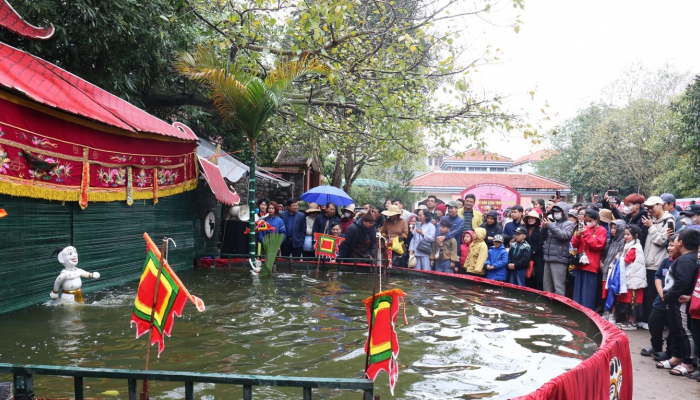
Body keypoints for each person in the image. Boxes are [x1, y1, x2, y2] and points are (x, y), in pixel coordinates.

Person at [657, 229, 700, 377]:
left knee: (683, 331)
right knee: (675, 329)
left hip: (679, 301)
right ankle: (676, 357)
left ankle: (687, 363)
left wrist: (669, 295)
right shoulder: (685, 258)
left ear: (680, 242)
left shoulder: (686, 260)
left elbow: (683, 282)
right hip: (673, 300)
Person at [639, 196, 675, 328]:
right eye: (648, 208)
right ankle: (649, 320)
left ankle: (656, 323)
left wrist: (651, 227)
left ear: (660, 205)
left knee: (655, 295)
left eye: (652, 207)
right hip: (649, 263)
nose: (650, 210)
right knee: (649, 294)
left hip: (658, 264)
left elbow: (662, 241)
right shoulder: (652, 220)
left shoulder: (669, 220)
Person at [640, 236, 676, 360]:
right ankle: (656, 346)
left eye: (672, 245)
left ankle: (670, 352)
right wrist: (661, 292)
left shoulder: (682, 262)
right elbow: (658, 276)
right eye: (669, 245)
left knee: (673, 327)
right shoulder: (666, 261)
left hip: (674, 300)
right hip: (661, 298)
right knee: (653, 321)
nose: (669, 248)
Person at [570, 209, 607, 310]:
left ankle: (587, 313)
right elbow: (574, 244)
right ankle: (576, 310)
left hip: (591, 265)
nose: (588, 222)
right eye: (586, 220)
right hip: (580, 264)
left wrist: (585, 234)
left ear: (596, 220)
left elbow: (597, 245)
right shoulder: (583, 228)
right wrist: (577, 235)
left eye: (590, 220)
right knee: (578, 290)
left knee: (588, 292)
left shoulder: (602, 230)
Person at [614, 225, 647, 330]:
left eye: (628, 234)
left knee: (633, 301)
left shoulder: (634, 247)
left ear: (635, 235)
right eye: (625, 234)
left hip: (634, 279)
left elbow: (626, 260)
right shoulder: (631, 246)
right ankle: (627, 321)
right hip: (632, 277)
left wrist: (618, 258)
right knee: (628, 300)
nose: (625, 237)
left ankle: (632, 322)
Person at [541, 201, 576, 296]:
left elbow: (564, 236)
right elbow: (543, 237)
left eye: (558, 212)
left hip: (559, 259)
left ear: (564, 213)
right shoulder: (552, 223)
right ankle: (548, 307)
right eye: (554, 212)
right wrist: (544, 228)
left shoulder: (569, 224)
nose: (556, 214)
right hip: (548, 258)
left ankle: (559, 307)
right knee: (547, 287)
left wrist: (550, 226)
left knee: (558, 287)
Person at [600, 220, 627, 322]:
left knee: (613, 294)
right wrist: (601, 263)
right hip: (605, 271)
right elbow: (603, 255)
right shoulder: (609, 241)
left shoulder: (623, 242)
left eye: (615, 228)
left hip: (615, 272)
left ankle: (613, 314)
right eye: (611, 228)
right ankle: (606, 311)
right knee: (606, 293)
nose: (613, 230)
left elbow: (620, 257)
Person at [523, 210, 544, 289]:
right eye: (529, 218)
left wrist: (532, 252)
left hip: (537, 255)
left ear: (536, 220)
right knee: (527, 276)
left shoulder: (540, 230)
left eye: (532, 218)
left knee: (538, 277)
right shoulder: (524, 229)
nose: (530, 220)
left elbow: (540, 244)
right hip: (525, 254)